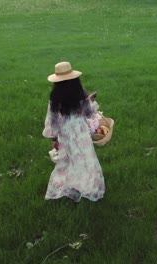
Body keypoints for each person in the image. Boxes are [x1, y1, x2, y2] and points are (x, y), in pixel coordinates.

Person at [42, 61, 105, 202]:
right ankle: (87, 184)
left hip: (65, 134)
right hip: (80, 132)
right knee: (85, 158)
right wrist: (90, 101)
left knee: (69, 160)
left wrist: (54, 139)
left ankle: (70, 183)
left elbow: (52, 120)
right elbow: (88, 114)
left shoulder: (55, 97)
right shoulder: (80, 93)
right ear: (75, 78)